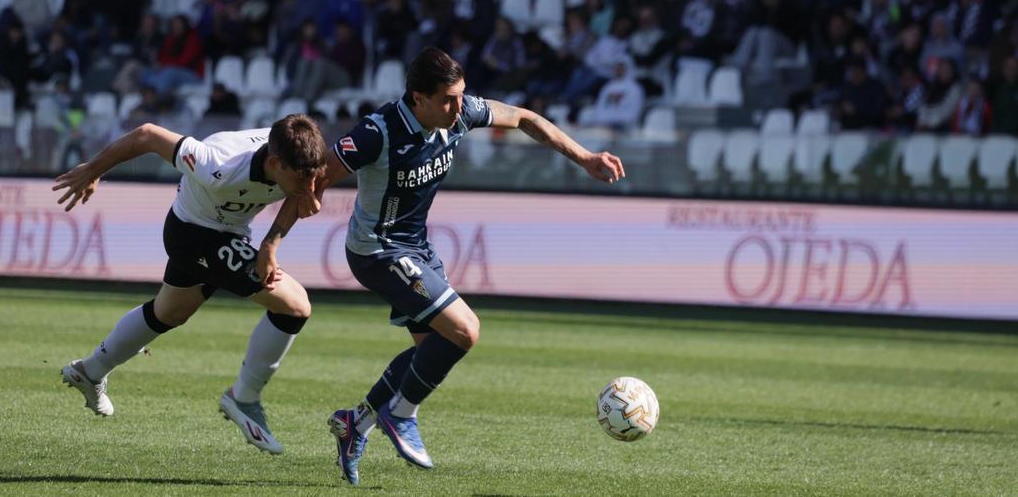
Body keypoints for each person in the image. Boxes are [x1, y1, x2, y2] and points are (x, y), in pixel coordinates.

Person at [292, 48, 623, 484]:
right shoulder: (378, 132)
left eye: (460, 96)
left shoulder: (462, 113)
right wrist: (280, 235)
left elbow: (525, 118)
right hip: (377, 250)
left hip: (416, 248)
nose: (458, 107)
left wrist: (585, 159)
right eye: (447, 99)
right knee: (465, 330)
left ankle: (358, 423)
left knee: (429, 348)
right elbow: (314, 178)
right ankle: (402, 415)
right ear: (417, 98)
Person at [54, 115, 327, 454]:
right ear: (274, 163)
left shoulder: (301, 159)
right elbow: (148, 136)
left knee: (169, 312)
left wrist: (272, 241)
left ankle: (90, 370)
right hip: (193, 234)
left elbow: (310, 181)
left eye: (314, 178)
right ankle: (243, 398)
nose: (312, 188)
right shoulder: (218, 163)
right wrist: (94, 170)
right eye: (304, 180)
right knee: (296, 305)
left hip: (229, 231)